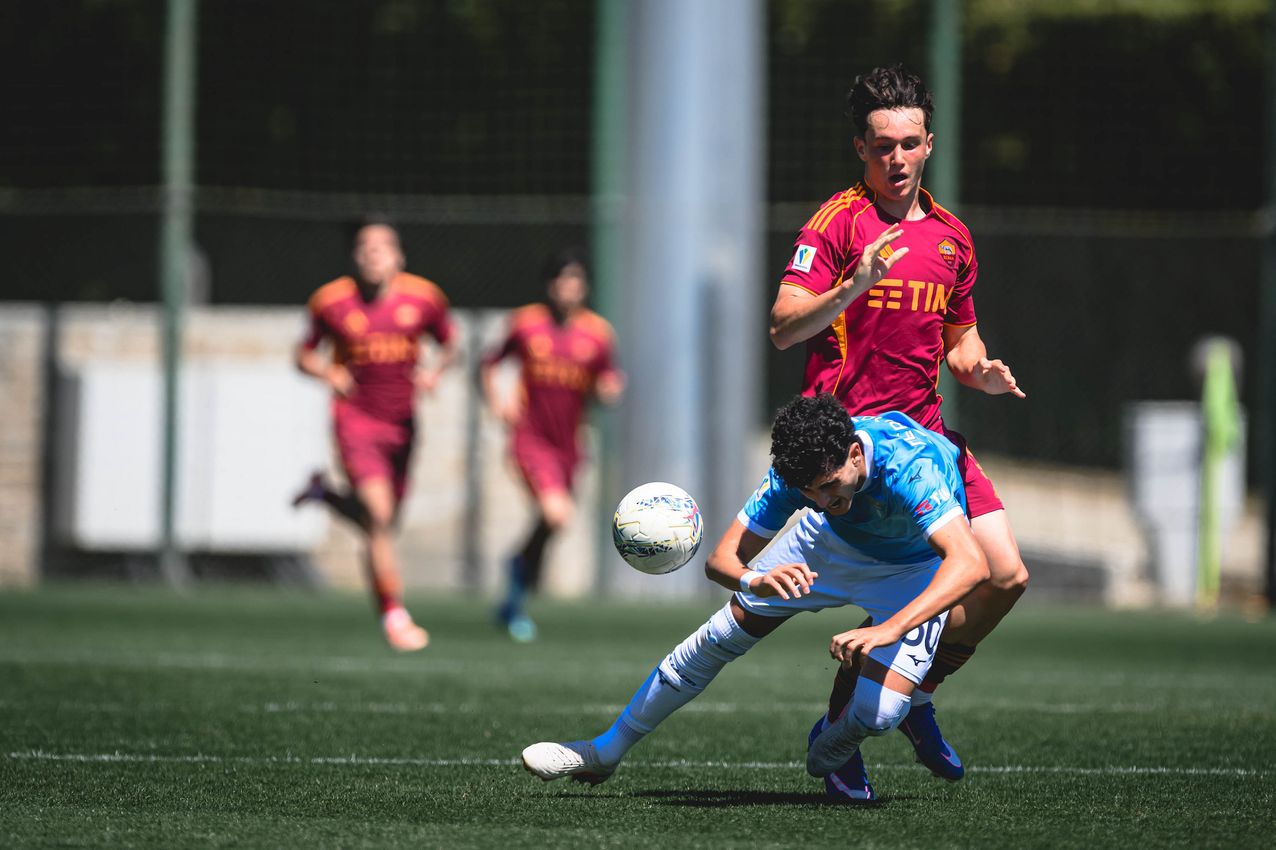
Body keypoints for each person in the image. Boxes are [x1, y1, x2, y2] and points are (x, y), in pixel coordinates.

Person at [768, 63, 1030, 796]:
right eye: (882, 146)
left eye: (909, 144)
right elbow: (784, 327)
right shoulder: (835, 225)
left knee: (1007, 576)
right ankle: (843, 732)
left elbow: (960, 341)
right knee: (892, 598)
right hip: (852, 451)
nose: (897, 159)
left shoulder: (952, 238)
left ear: (929, 144)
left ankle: (916, 693)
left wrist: (979, 371)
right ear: (861, 148)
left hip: (928, 440)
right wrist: (851, 285)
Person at [521, 394, 989, 801]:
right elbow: (720, 561)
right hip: (828, 547)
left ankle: (837, 733)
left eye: (830, 486)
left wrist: (889, 628)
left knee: (880, 714)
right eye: (810, 493)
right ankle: (604, 751)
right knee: (719, 636)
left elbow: (971, 564)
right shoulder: (799, 476)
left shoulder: (912, 465)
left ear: (853, 454)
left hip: (912, 567)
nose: (822, 500)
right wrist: (753, 581)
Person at [292, 219, 457, 651]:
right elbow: (303, 355)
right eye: (365, 247)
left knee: (382, 522)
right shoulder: (331, 301)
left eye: (382, 246)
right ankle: (394, 616)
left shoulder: (424, 298)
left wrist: (434, 372)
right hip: (356, 422)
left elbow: (449, 342)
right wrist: (328, 372)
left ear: (398, 257)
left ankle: (325, 494)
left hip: (402, 426)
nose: (373, 254)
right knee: (379, 516)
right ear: (354, 256)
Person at [480, 250, 625, 642]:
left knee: (550, 525)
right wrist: (498, 402)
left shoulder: (597, 333)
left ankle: (515, 588)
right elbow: (490, 363)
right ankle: (518, 582)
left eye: (575, 280)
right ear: (550, 285)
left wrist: (609, 389)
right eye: (561, 280)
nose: (568, 288)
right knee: (556, 515)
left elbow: (607, 378)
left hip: (569, 446)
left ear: (584, 286)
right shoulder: (526, 324)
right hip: (531, 440)